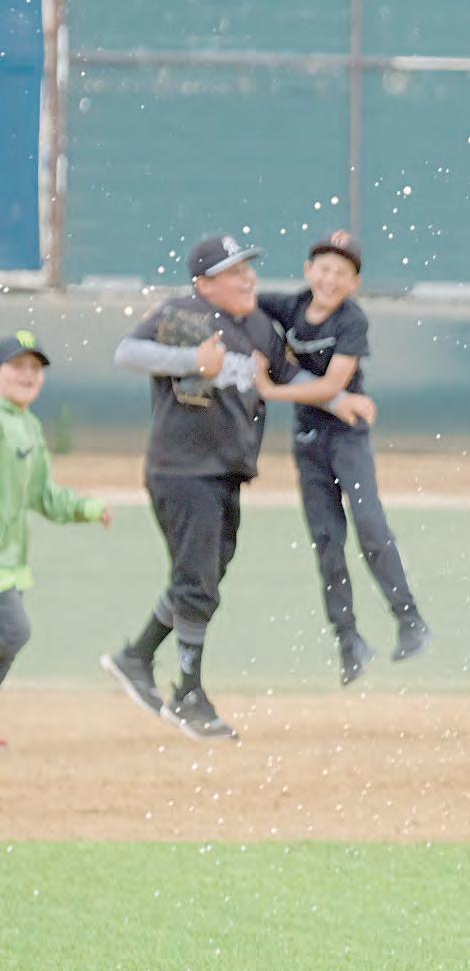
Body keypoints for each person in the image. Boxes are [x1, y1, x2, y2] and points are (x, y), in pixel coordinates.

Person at [101, 235, 377, 742]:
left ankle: (136, 656)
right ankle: (188, 694)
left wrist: (340, 402)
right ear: (205, 284)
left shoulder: (257, 326)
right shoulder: (184, 312)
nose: (248, 279)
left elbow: (290, 375)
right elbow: (127, 352)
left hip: (226, 470)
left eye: (248, 269)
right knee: (197, 582)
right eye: (233, 272)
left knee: (206, 575)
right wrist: (191, 360)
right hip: (182, 469)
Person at [258, 230, 432, 683]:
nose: (330, 279)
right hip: (308, 440)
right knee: (326, 541)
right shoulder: (288, 306)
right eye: (324, 268)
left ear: (355, 283)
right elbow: (243, 311)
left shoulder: (352, 321)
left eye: (342, 272)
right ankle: (348, 639)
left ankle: (409, 620)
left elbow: (333, 384)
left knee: (370, 526)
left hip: (348, 437)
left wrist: (271, 389)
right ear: (307, 271)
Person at [0, 327, 111, 737]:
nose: (27, 375)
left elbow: (44, 495)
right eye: (16, 365)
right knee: (13, 631)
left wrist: (87, 508)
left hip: (10, 563)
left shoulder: (27, 426)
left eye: (35, 368)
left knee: (9, 637)